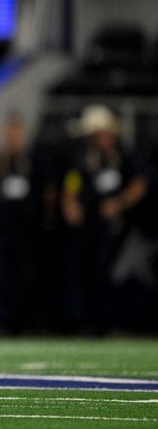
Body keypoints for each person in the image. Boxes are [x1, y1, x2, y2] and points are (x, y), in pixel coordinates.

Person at [62, 104, 148, 333]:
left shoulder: (122, 155)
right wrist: (70, 204)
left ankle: (116, 324)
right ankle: (93, 324)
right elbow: (72, 184)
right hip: (90, 228)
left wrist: (119, 203)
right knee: (88, 274)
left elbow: (140, 183)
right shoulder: (84, 158)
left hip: (120, 229)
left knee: (114, 275)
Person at [0, 113, 40, 333]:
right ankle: (9, 322)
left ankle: (27, 324)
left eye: (16, 134)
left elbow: (46, 193)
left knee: (27, 278)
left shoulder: (31, 162)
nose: (13, 138)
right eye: (9, 134)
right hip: (2, 232)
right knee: (1, 278)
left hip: (27, 232)